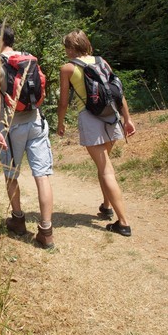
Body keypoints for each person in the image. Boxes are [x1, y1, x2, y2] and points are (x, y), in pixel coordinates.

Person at [56, 29, 136, 236]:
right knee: (104, 164)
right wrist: (127, 119)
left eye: (66, 47)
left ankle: (123, 223)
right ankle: (106, 206)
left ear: (72, 48)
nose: (65, 51)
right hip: (112, 117)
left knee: (106, 169)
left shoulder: (67, 68)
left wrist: (60, 122)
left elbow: (64, 101)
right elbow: (117, 91)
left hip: (90, 119)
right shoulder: (102, 62)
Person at [0, 24, 55, 249]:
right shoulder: (27, 58)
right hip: (36, 122)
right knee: (42, 176)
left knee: (11, 175)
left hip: (11, 127)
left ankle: (18, 220)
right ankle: (46, 231)